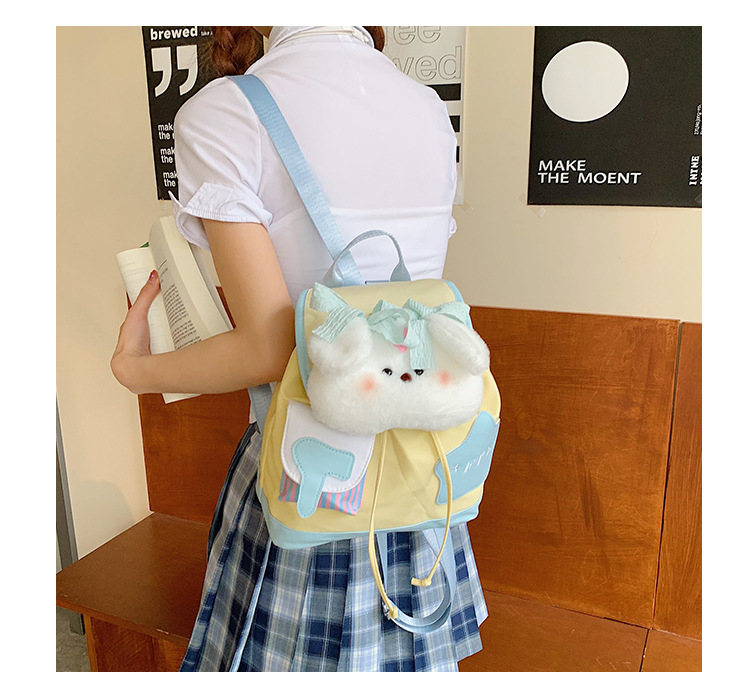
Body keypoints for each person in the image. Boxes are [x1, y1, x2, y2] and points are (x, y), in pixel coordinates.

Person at [112, 25, 487, 672]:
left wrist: (136, 370)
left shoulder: (225, 112)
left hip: (310, 478)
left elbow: (267, 347)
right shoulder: (426, 106)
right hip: (423, 474)